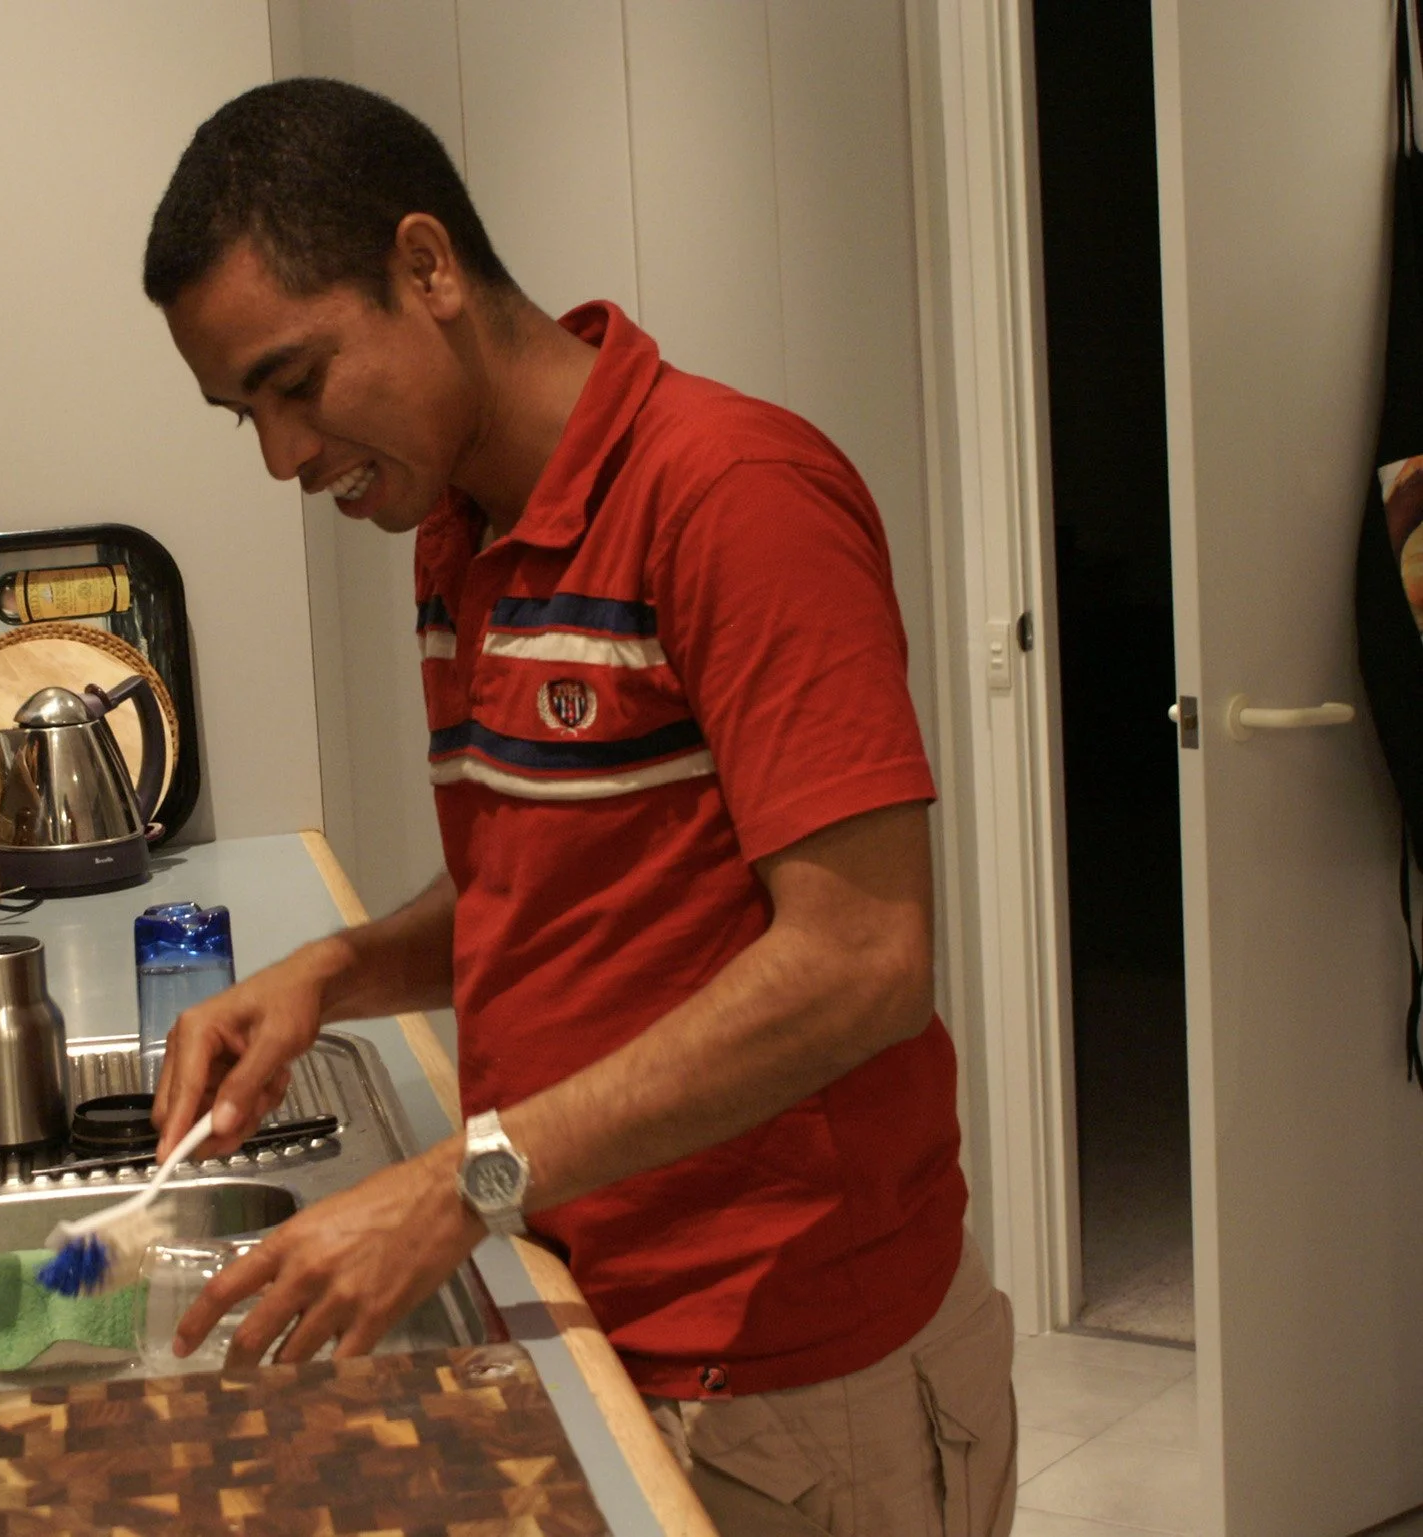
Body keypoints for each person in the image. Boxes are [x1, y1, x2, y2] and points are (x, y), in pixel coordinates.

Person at [138, 78, 1017, 1536]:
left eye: (297, 383)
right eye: (244, 410)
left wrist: (455, 1187)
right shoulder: (454, 533)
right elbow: (556, 895)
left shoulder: (729, 494)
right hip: (593, 1299)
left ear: (427, 268)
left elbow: (859, 962)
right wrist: (335, 971)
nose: (281, 458)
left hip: (789, 1371)